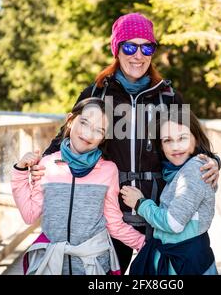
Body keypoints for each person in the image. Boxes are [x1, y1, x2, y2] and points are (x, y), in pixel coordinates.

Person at [29, 12, 221, 273]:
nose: (138, 55)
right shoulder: (98, 91)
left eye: (147, 47)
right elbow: (69, 134)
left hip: (157, 209)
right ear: (117, 49)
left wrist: (213, 161)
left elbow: (191, 140)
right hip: (108, 212)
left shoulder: (166, 96)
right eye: (130, 46)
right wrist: (39, 162)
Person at [11, 98, 145, 275]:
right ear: (70, 120)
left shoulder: (108, 170)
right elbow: (29, 215)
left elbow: (113, 223)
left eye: (99, 130)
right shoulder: (47, 164)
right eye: (84, 123)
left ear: (104, 138)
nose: (89, 134)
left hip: (92, 266)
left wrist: (146, 244)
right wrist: (20, 171)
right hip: (51, 264)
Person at [120, 110, 218, 275]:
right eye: (167, 140)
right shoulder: (175, 170)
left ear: (196, 138)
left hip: (187, 265)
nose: (175, 147)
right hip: (178, 261)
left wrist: (140, 204)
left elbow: (174, 223)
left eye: (182, 138)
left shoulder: (194, 170)